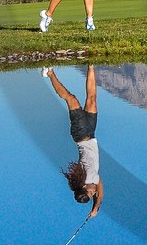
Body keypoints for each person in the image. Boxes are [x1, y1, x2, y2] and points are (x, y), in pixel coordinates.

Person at [43, 65, 103, 216]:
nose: (93, 192)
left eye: (90, 193)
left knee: (71, 99)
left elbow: (98, 191)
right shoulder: (94, 179)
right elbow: (100, 190)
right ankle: (91, 65)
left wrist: (95, 206)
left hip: (80, 134)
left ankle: (49, 73)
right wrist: (95, 207)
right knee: (92, 99)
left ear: (83, 188)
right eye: (92, 195)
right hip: (91, 133)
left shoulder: (85, 178)